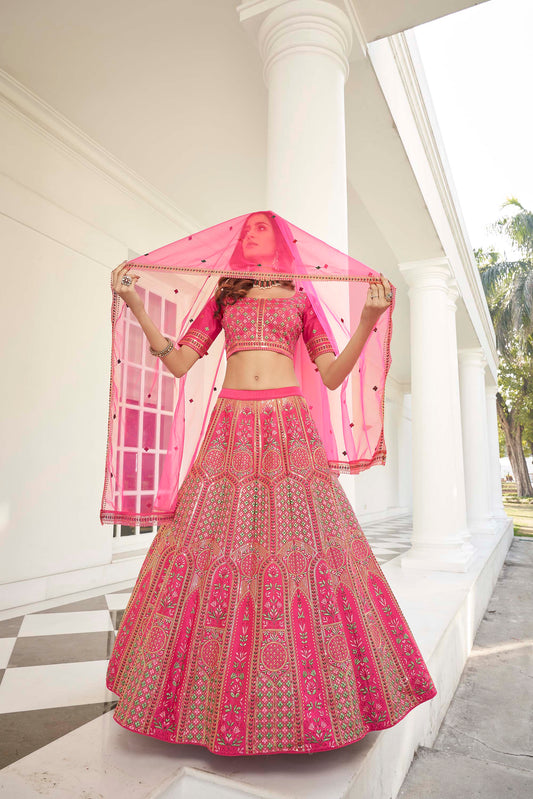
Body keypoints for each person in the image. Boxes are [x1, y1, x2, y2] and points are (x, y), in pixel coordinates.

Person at [105, 212, 437, 756]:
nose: (250, 233)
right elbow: (180, 362)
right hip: (231, 425)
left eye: (261, 227)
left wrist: (368, 320)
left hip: (288, 426)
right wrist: (137, 303)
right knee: (214, 546)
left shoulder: (301, 296)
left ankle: (307, 702)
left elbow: (332, 375)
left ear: (280, 240)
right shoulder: (225, 295)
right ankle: (198, 700)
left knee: (298, 547)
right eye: (247, 229)